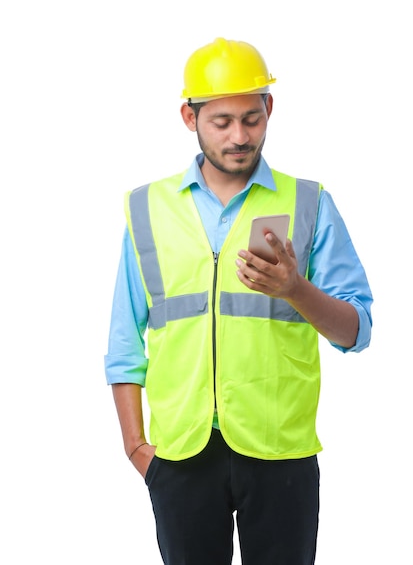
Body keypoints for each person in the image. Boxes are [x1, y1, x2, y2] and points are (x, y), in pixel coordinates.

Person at [104, 37, 373, 565]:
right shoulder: (147, 208)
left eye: (251, 118)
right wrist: (137, 448)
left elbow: (356, 331)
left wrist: (295, 289)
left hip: (281, 451)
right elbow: (123, 339)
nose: (240, 136)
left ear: (269, 109)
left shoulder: (309, 202)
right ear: (189, 116)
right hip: (181, 452)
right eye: (222, 122)